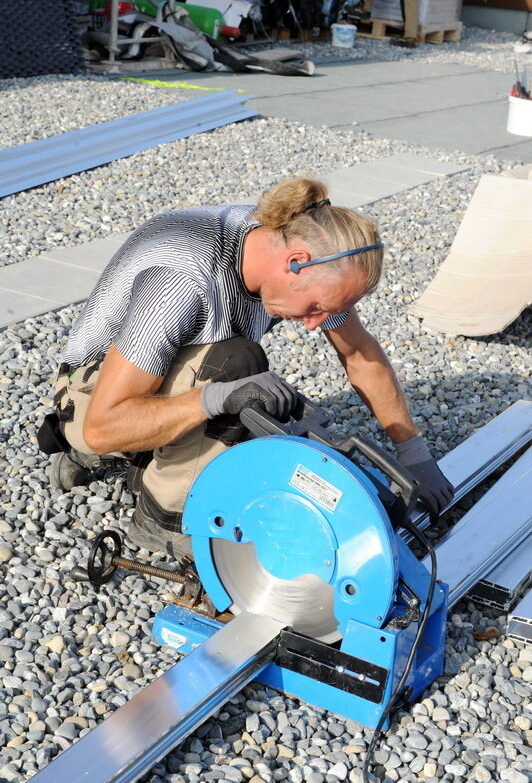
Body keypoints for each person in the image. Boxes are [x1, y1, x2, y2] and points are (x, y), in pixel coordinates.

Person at [39, 177, 453, 563]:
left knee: (256, 393)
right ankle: (161, 516)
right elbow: (102, 425)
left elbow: (360, 353)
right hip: (91, 399)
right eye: (316, 308)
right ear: (296, 262)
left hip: (155, 377)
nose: (315, 323)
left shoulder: (284, 240)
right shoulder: (184, 278)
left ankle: (156, 450)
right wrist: (217, 398)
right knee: (238, 366)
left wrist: (413, 450)